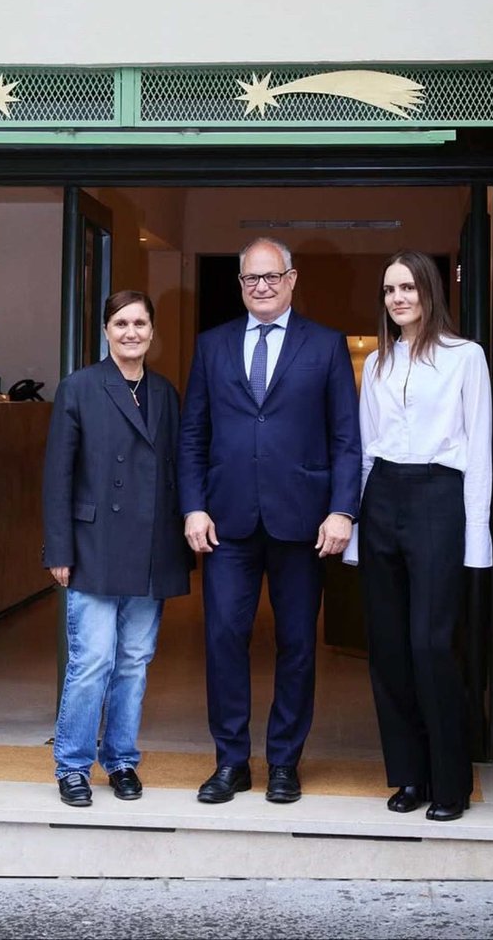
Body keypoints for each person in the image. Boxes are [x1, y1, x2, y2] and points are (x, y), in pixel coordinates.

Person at [178, 238, 361, 804]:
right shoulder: (211, 346)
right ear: (240, 284)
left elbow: (346, 439)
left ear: (291, 279)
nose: (261, 286)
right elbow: (192, 436)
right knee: (224, 640)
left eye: (271, 276)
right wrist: (193, 505)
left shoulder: (326, 346)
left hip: (304, 524)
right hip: (227, 522)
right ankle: (231, 762)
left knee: (298, 645)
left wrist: (342, 508)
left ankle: (284, 762)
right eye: (251, 278)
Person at [343, 250, 492, 822]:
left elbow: (478, 450)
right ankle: (408, 776)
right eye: (388, 290)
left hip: (438, 498)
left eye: (408, 287)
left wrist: (475, 539)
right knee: (388, 649)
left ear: (430, 292)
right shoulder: (379, 363)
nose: (398, 298)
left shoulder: (464, 357)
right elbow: (362, 451)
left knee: (431, 644)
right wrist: (356, 529)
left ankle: (450, 781)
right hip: (381, 497)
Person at [42, 289, 191, 808]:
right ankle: (72, 765)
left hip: (152, 547)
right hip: (94, 545)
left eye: (141, 323)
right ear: (106, 331)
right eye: (122, 323)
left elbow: (176, 469)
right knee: (91, 661)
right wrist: (58, 548)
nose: (132, 332)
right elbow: (58, 475)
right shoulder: (79, 388)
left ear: (153, 331)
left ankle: (122, 758)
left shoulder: (166, 393)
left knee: (134, 660)